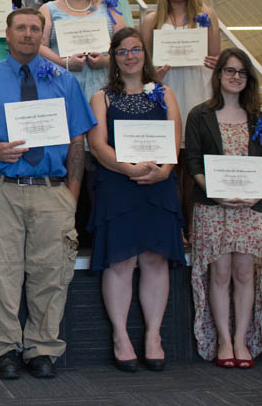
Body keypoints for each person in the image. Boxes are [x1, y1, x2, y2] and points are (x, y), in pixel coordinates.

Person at [0, 8, 96, 380]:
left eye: (34, 29)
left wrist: (71, 195)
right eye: (21, 28)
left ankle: (43, 347)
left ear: (42, 35)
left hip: (51, 190)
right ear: (6, 35)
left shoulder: (63, 80)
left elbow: (77, 141)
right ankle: (4, 349)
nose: (28, 34)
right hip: (1, 189)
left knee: (51, 273)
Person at [87, 27, 185, 372]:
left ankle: (153, 336)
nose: (130, 56)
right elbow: (97, 145)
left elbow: (175, 137)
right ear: (113, 58)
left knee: (156, 260)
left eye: (136, 50)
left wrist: (165, 168)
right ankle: (120, 336)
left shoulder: (164, 93)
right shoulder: (102, 97)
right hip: (119, 184)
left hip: (158, 185)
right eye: (122, 51)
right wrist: (129, 168)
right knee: (121, 262)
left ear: (145, 55)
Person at [185, 49, 262, 368]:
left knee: (245, 273)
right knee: (220, 273)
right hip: (213, 207)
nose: (235, 77)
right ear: (218, 74)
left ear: (247, 79)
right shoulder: (199, 114)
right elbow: (192, 161)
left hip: (250, 210)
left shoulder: (258, 118)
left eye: (242, 73)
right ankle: (223, 340)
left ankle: (242, 340)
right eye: (229, 71)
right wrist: (215, 191)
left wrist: (255, 192)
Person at [141, 0, 220, 129]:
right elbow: (145, 62)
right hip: (167, 81)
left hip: (199, 81)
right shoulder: (151, 19)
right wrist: (153, 73)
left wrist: (217, 61)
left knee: (198, 133)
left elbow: (215, 55)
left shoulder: (207, 14)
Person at [40, 0, 125, 100]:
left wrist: (107, 60)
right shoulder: (48, 9)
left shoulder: (108, 7)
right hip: (61, 84)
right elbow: (39, 47)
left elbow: (124, 44)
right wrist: (64, 63)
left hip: (104, 84)